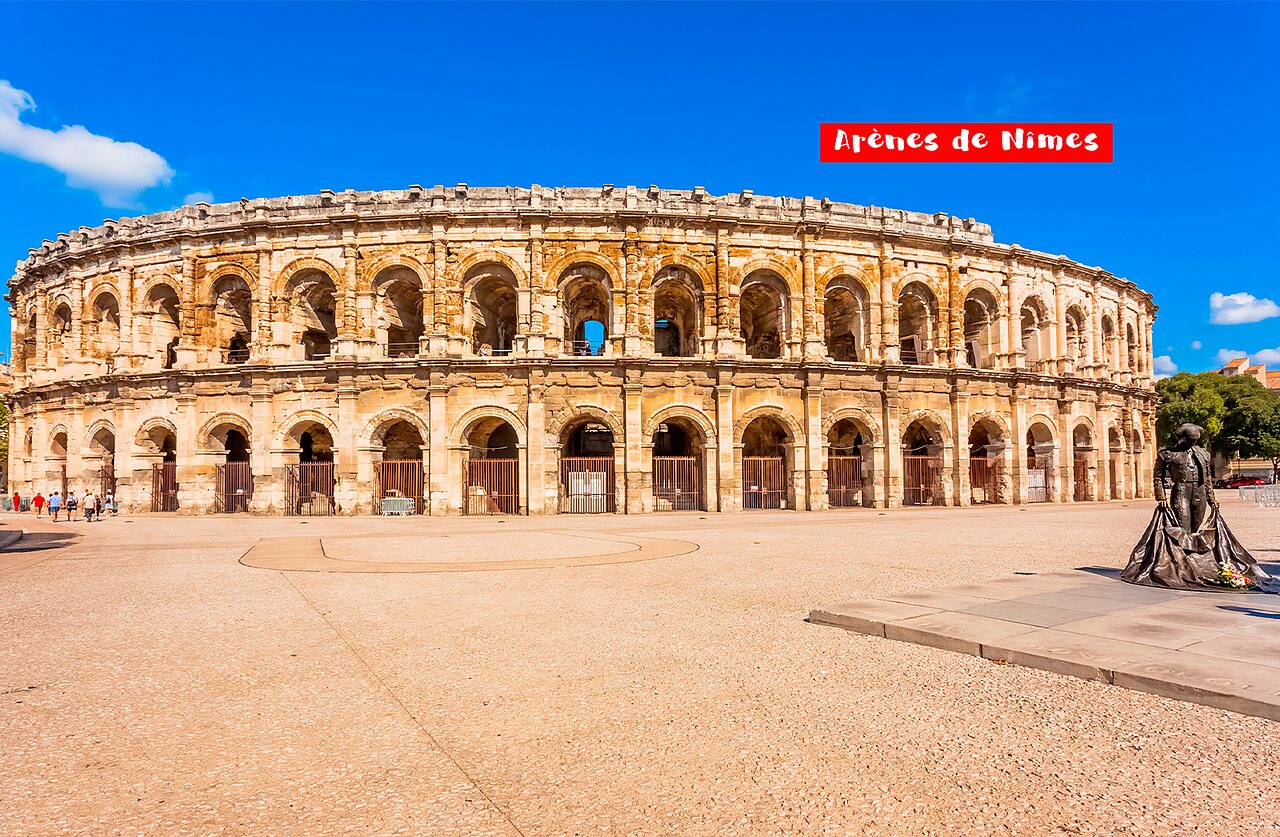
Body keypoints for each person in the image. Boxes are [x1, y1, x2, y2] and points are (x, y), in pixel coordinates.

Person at [1123, 423, 1277, 593]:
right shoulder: (1167, 454)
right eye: (1190, 440)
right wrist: (1161, 497)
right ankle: (1181, 563)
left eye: (1195, 440)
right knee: (1182, 527)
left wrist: (1212, 499)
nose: (1192, 443)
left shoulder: (1203, 454)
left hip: (1199, 492)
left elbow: (1208, 478)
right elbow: (1158, 476)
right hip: (1181, 490)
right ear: (1182, 438)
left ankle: (1194, 562)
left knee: (1197, 526)